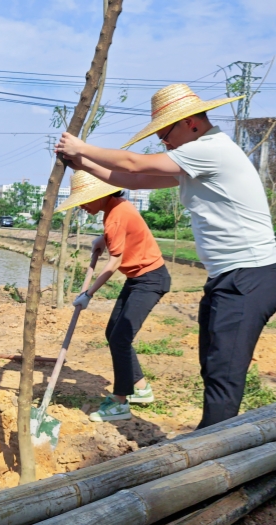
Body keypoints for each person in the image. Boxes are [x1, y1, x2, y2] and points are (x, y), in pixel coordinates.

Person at [55, 83, 276, 429]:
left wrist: (82, 146)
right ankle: (212, 441)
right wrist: (81, 162)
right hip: (227, 277)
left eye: (164, 132)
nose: (163, 141)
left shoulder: (211, 149)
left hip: (250, 275)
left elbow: (133, 161)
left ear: (190, 123)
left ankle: (212, 455)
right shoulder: (197, 161)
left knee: (223, 373)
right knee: (214, 365)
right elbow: (135, 178)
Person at [57, 171, 171, 422]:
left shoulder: (115, 216)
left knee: (120, 338)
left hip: (150, 279)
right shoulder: (116, 208)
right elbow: (122, 235)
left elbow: (113, 263)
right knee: (113, 333)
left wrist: (88, 293)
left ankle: (120, 402)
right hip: (138, 278)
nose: (83, 207)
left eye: (85, 200)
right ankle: (140, 388)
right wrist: (103, 239)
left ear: (100, 195)